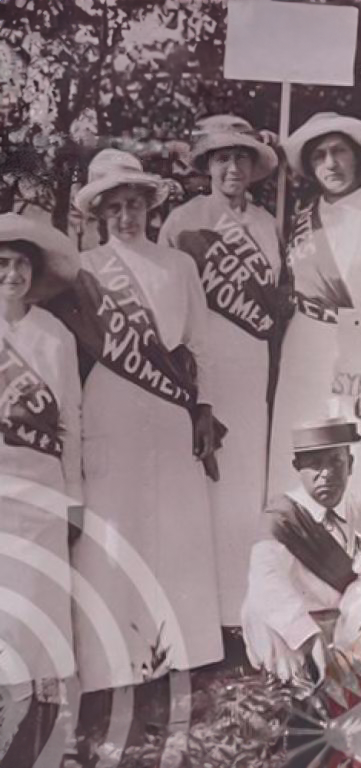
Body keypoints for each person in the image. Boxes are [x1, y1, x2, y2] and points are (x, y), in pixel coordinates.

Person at [60, 148, 225, 693]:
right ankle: (113, 664)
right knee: (115, 528)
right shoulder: (83, 271)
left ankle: (182, 652)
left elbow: (201, 344)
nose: (126, 216)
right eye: (114, 208)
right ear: (99, 215)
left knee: (175, 525)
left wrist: (204, 408)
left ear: (150, 208)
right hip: (109, 403)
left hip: (171, 406)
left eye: (134, 205)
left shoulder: (178, 265)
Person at [158, 115, 283, 638]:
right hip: (205, 366)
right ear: (207, 165)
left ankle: (240, 612)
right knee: (205, 483)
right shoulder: (183, 221)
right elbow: (166, 303)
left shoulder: (268, 223)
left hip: (252, 363)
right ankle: (200, 616)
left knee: (246, 483)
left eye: (242, 157)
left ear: (254, 166)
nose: (233, 167)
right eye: (223, 157)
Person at [267, 112, 361, 508]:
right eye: (319, 156)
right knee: (298, 449)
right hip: (304, 344)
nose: (330, 163)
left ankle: (360, 542)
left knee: (360, 452)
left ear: (358, 158)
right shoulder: (303, 220)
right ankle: (296, 539)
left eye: (339, 152)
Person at [0, 214, 81, 762]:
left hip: (43, 488)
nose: (12, 274)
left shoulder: (55, 335)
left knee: (40, 609)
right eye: (2, 264)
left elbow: (70, 420)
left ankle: (43, 740)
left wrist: (74, 499)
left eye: (21, 265)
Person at [241, 418, 361, 682]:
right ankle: (293, 684)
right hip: (298, 628)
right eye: (314, 463)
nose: (327, 474)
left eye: (336, 461)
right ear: (297, 466)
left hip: (351, 622)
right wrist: (307, 637)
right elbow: (266, 581)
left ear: (350, 464)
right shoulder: (281, 517)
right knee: (257, 606)